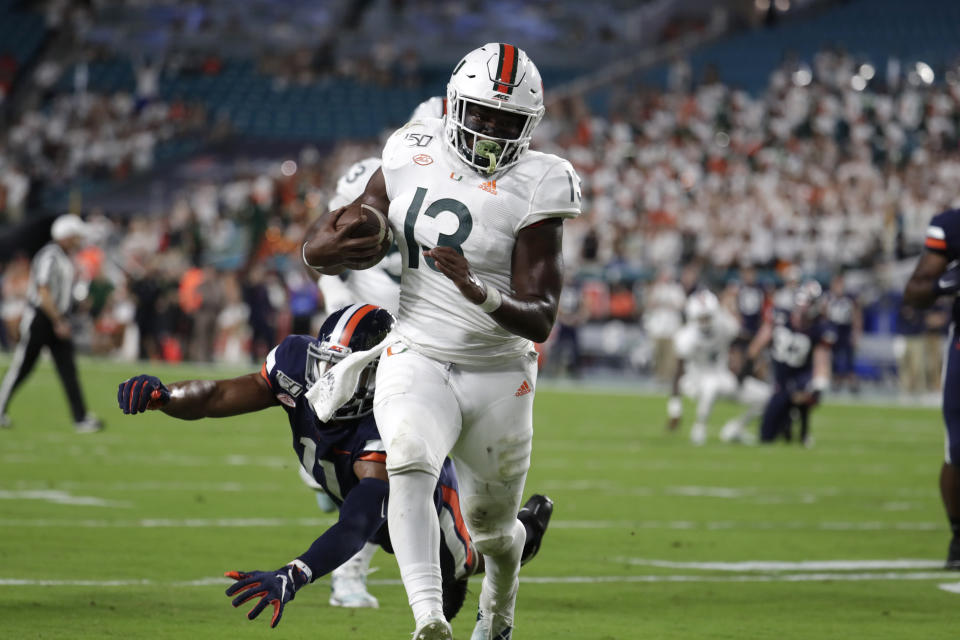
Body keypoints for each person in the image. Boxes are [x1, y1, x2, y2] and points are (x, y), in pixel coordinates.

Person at [303, 42, 581, 640]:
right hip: (417, 350)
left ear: (529, 125)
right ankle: (429, 619)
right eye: (480, 114)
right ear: (452, 106)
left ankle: (498, 609)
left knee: (491, 532)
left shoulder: (542, 181)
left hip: (499, 370)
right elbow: (344, 227)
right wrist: (317, 249)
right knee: (404, 458)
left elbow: (540, 319)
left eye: (507, 122)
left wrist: (476, 290)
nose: (489, 131)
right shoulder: (409, 149)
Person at [116, 304, 554, 627]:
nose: (327, 380)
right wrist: (165, 397)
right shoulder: (295, 364)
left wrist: (294, 574)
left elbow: (356, 524)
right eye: (324, 364)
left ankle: (526, 529)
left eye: (344, 371)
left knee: (465, 564)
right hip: (348, 483)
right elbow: (219, 395)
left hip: (424, 508)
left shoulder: (390, 422)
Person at [0, 214, 102, 432]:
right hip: (41, 319)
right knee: (22, 367)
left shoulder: (65, 258)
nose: (78, 240)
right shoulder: (50, 256)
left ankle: (80, 417)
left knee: (68, 370)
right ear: (64, 236)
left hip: (57, 318)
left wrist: (75, 305)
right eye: (75, 236)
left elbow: (59, 292)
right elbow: (43, 291)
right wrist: (58, 320)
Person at [903, 208, 960, 569]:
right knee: (958, 449)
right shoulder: (952, 225)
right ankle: (959, 534)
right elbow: (915, 291)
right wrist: (948, 283)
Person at [667, 289, 770, 446]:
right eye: (701, 318)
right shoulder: (686, 337)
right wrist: (675, 408)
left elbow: (740, 340)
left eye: (708, 317)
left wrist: (746, 363)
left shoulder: (724, 324)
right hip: (695, 382)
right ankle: (699, 427)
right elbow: (678, 372)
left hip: (722, 376)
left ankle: (735, 429)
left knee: (766, 397)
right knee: (711, 384)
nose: (705, 322)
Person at [745, 280, 834, 447]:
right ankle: (786, 423)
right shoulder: (780, 316)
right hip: (779, 376)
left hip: (801, 376)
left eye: (807, 303)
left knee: (807, 391)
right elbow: (759, 343)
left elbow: (822, 362)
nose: (803, 309)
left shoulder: (820, 329)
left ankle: (804, 432)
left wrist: (818, 386)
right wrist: (750, 365)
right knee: (766, 434)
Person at [825, 274, 862, 393]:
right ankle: (836, 380)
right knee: (834, 357)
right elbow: (824, 314)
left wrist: (856, 333)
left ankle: (851, 381)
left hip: (846, 329)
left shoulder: (849, 299)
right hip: (833, 329)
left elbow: (856, 316)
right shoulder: (828, 298)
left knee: (849, 357)